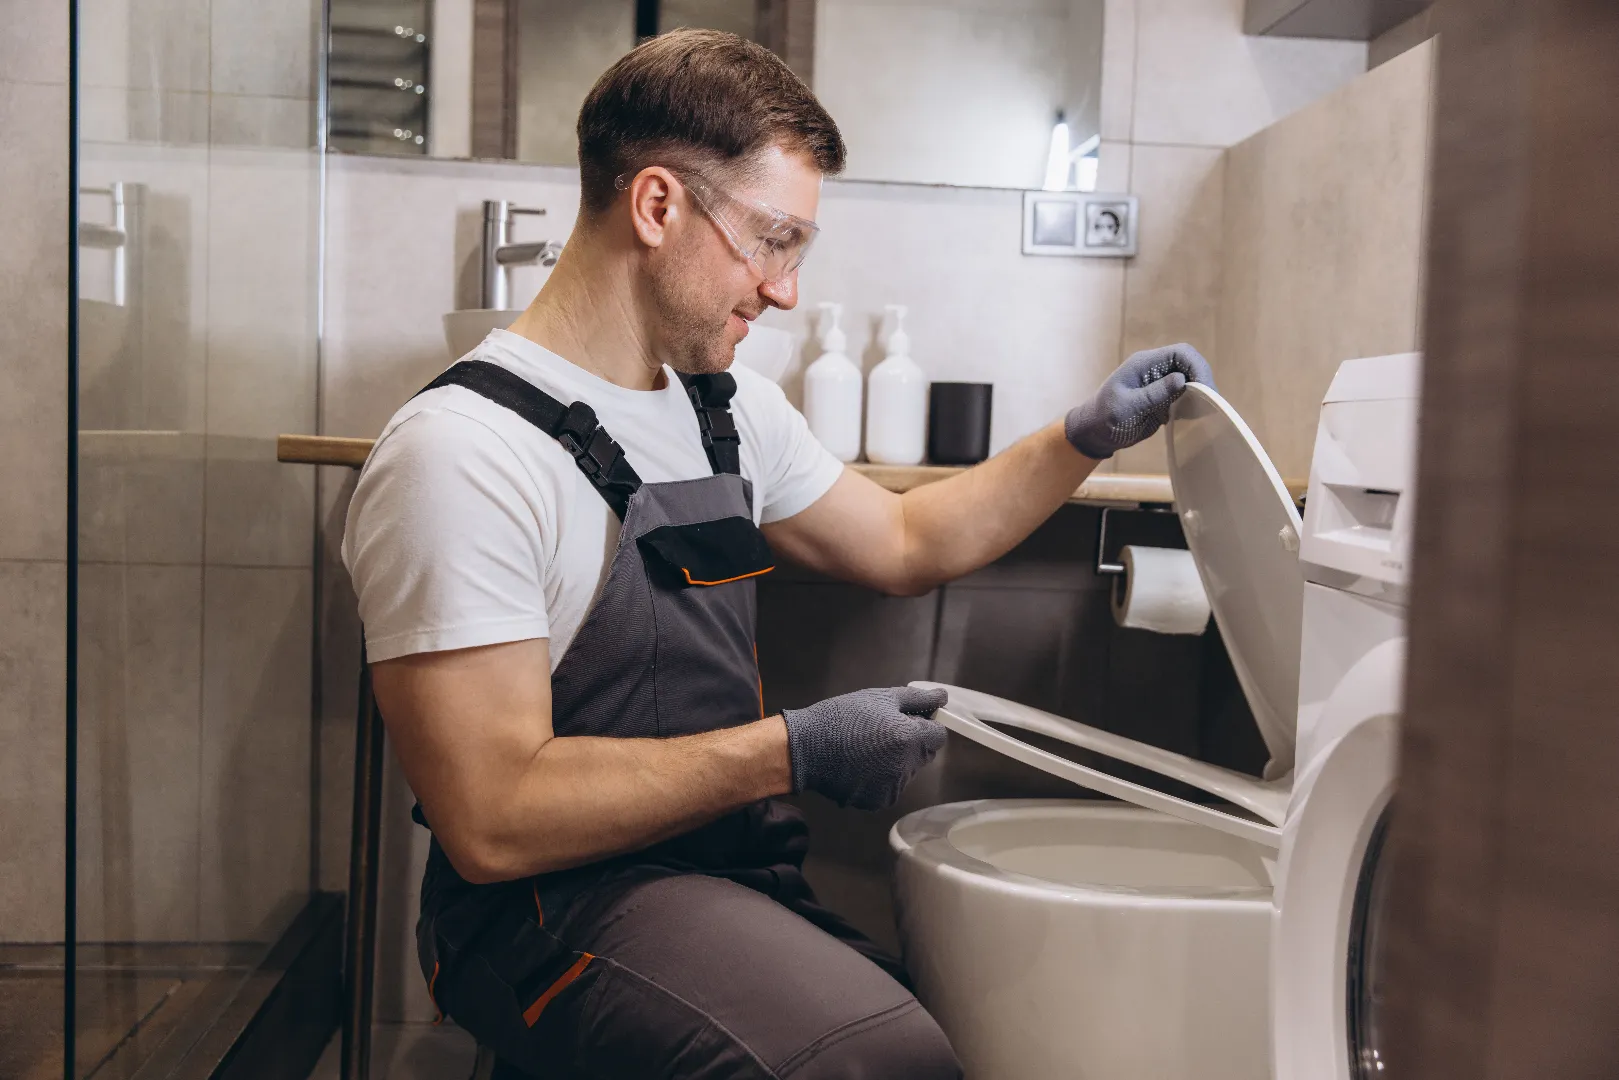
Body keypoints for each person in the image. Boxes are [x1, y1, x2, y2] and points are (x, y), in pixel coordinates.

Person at [343, 28, 1213, 1080]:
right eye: (772, 240)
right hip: (541, 913)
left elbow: (904, 539)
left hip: (722, 869)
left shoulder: (727, 408)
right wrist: (792, 750)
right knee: (883, 1063)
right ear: (657, 206)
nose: (786, 289)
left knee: (962, 1023)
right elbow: (491, 820)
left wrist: (1079, 437)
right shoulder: (463, 454)